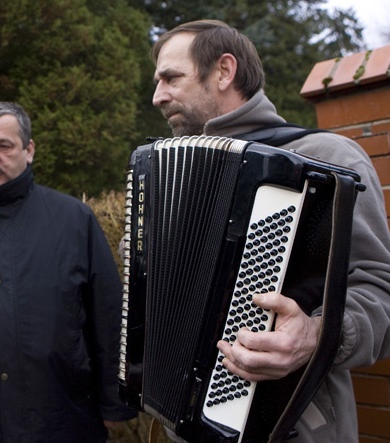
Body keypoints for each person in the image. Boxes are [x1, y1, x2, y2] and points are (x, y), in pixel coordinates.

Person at [151, 19, 390, 442]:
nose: (158, 96)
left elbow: (380, 291)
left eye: (171, 78)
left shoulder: (325, 160)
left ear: (224, 71)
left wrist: (316, 336)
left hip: (295, 426)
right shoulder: (171, 175)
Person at [0, 101, 137, 442]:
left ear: (29, 150)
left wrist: (114, 402)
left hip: (66, 415)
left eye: (3, 145)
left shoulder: (74, 220)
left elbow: (108, 313)